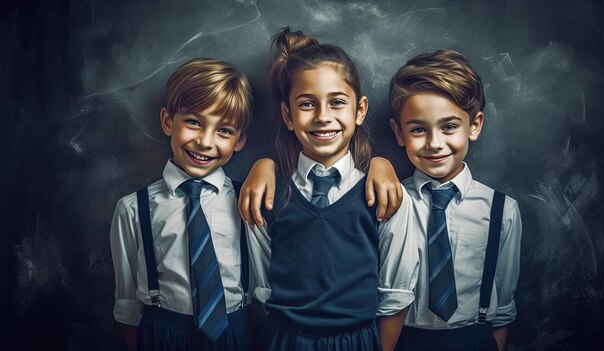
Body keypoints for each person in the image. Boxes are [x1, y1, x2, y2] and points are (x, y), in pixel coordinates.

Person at [244, 27, 418, 351]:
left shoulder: (384, 195)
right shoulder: (267, 194)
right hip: (284, 341)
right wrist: (263, 165)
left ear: (360, 110)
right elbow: (264, 287)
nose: (323, 117)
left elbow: (396, 293)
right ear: (288, 115)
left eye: (337, 102)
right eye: (307, 104)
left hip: (359, 342)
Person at [110, 58, 254, 351]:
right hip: (164, 334)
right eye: (193, 122)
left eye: (224, 131)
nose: (204, 141)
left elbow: (266, 291)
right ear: (167, 121)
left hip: (235, 334)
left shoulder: (249, 201)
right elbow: (126, 304)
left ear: (240, 141)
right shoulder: (132, 209)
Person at [388, 50, 522, 351]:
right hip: (404, 340)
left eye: (449, 126)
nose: (435, 143)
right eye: (419, 129)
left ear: (474, 125)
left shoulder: (502, 210)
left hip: (472, 340)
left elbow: (503, 309)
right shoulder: (390, 202)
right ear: (399, 132)